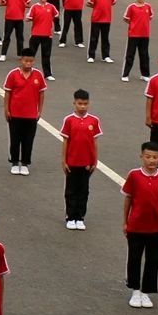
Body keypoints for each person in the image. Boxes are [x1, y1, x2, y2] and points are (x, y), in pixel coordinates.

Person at [122, 141, 158, 307]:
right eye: (148, 157)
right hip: (136, 226)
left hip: (157, 228)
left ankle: (146, 292)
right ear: (141, 157)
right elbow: (128, 198)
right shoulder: (134, 175)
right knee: (134, 258)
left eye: (155, 157)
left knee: (153, 260)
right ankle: (135, 290)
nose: (151, 160)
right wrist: (125, 222)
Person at [60, 89, 101, 231]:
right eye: (79, 103)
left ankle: (80, 217)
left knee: (84, 191)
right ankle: (70, 216)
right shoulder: (69, 120)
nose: (82, 106)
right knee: (71, 190)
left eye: (85, 104)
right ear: (74, 103)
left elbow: (94, 142)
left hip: (87, 163)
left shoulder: (94, 121)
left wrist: (95, 160)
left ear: (89, 104)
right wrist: (64, 160)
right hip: (72, 162)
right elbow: (65, 141)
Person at [120, 0, 153, 81]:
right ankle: (125, 74)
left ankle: (145, 74)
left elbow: (150, 17)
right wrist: (134, 25)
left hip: (145, 35)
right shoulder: (131, 7)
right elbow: (126, 19)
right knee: (130, 55)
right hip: (133, 35)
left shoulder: (148, 7)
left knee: (144, 55)